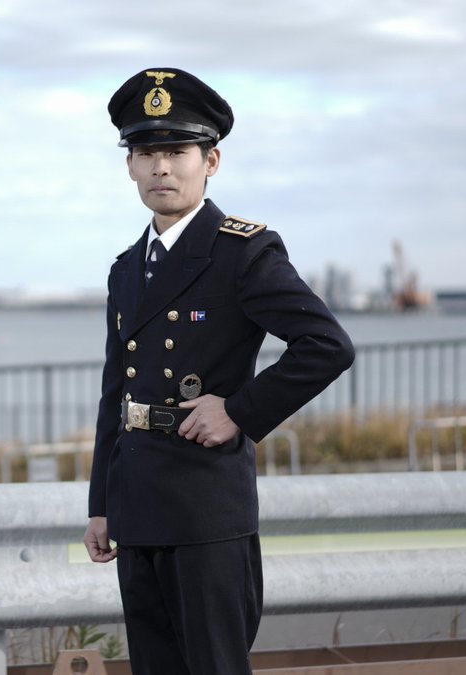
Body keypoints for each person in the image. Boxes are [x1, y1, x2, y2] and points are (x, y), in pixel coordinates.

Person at [83, 68, 355, 674]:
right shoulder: (126, 268)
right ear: (129, 166)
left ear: (211, 162)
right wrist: (101, 503)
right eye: (146, 154)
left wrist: (237, 411)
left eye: (177, 152)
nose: (161, 168)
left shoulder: (243, 252)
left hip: (205, 506)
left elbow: (327, 345)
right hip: (138, 504)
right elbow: (115, 393)